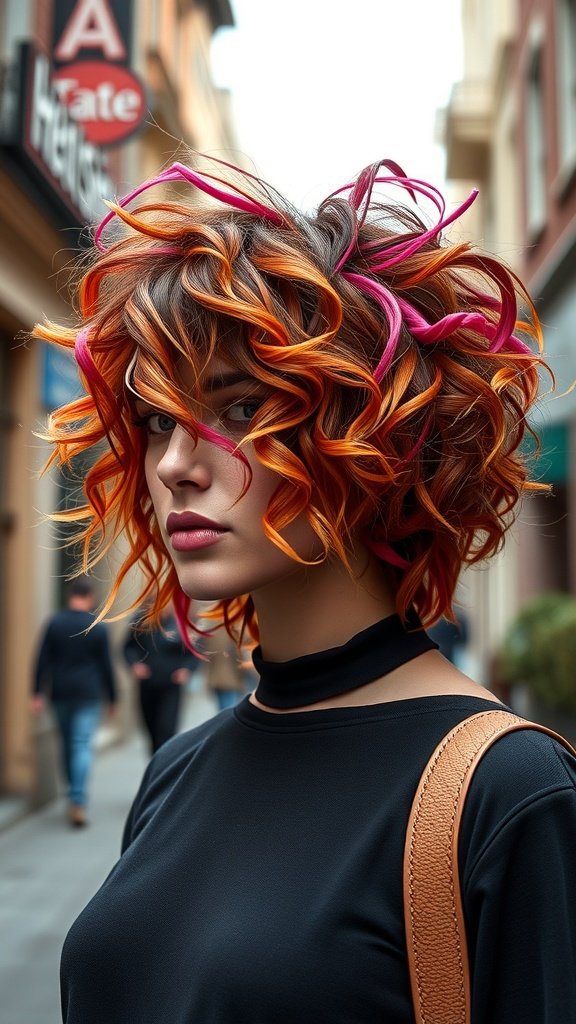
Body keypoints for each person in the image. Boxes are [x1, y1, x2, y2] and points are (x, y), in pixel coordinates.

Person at [35, 154, 576, 1022]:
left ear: (372, 429)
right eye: (158, 420)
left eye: (243, 409)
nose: (176, 464)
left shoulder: (506, 790)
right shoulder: (178, 769)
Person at [31, 578, 117, 827]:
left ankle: (72, 793)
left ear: (70, 596)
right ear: (89, 597)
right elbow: (106, 666)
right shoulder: (97, 627)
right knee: (81, 744)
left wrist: (36, 692)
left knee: (68, 744)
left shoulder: (55, 623)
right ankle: (77, 800)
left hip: (60, 693)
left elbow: (41, 659)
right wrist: (113, 697)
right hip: (88, 694)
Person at [122, 600, 198, 753]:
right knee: (151, 729)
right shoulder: (141, 623)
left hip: (171, 686)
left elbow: (193, 653)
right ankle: (156, 764)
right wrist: (134, 664)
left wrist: (186, 669)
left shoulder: (179, 625)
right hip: (148, 685)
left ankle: (164, 766)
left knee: (167, 729)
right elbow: (128, 648)